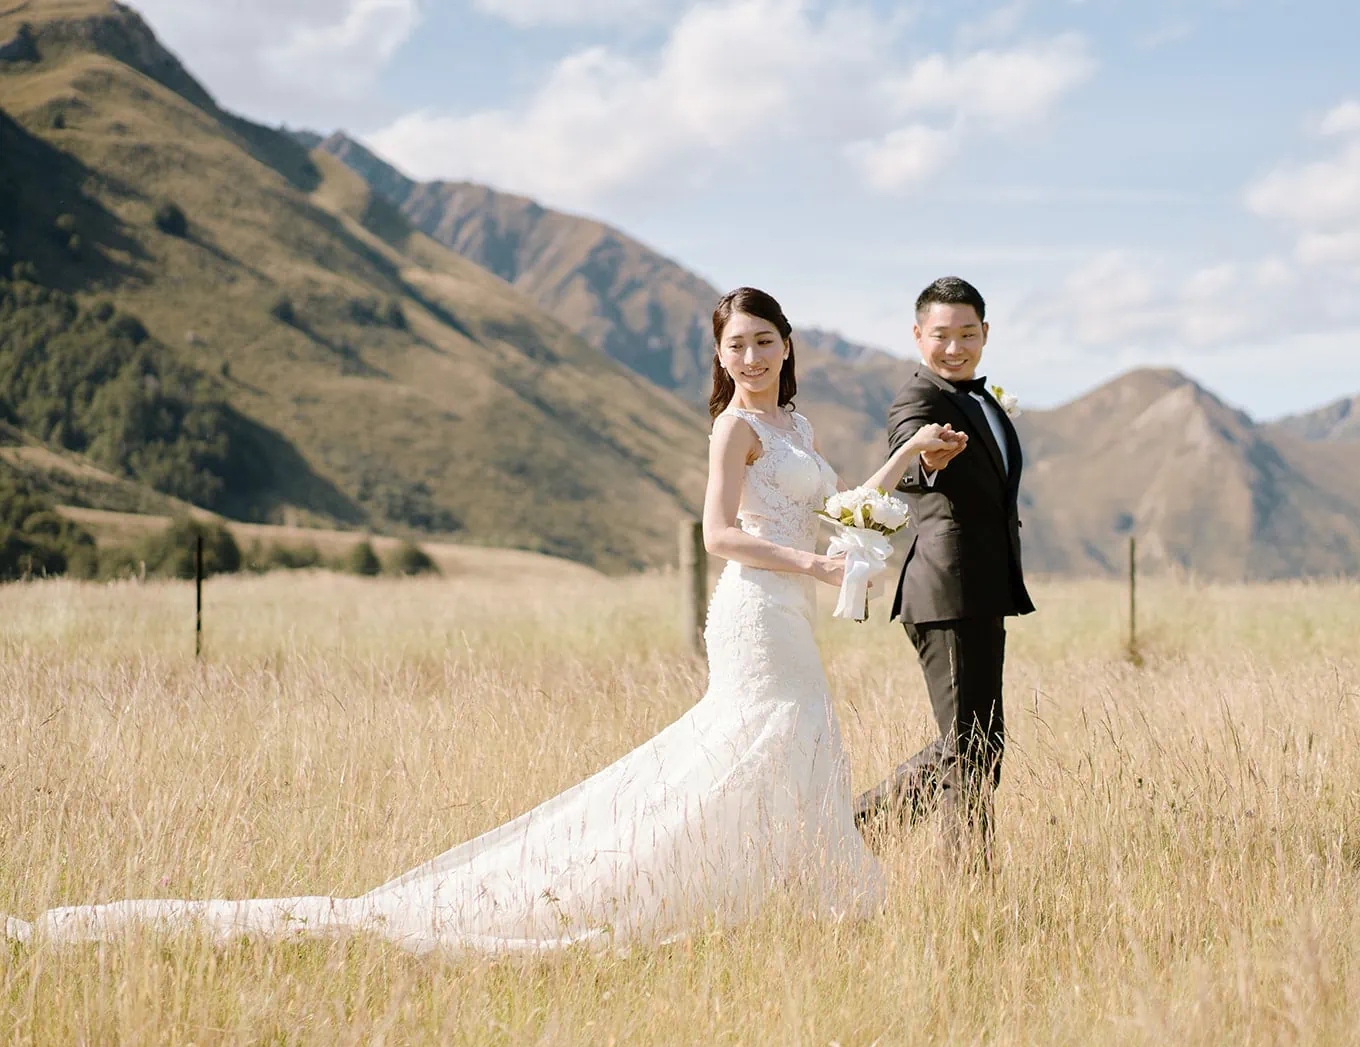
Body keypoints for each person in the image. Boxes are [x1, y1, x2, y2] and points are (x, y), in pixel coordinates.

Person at [3, 287, 966, 954]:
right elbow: (720, 534)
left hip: (793, 607)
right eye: (735, 345)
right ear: (719, 359)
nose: (751, 356)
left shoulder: (795, 430)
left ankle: (786, 898)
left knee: (791, 743)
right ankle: (699, 889)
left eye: (765, 340)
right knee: (763, 738)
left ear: (787, 345)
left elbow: (835, 510)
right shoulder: (735, 429)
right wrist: (806, 562)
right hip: (756, 609)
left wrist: (906, 464)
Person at [852, 276, 1034, 873]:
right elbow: (912, 456)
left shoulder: (980, 400)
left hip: (983, 589)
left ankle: (856, 833)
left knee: (982, 745)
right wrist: (925, 456)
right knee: (969, 746)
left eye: (967, 334)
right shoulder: (919, 400)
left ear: (986, 333)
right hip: (947, 591)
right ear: (916, 336)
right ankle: (957, 875)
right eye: (940, 336)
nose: (954, 348)